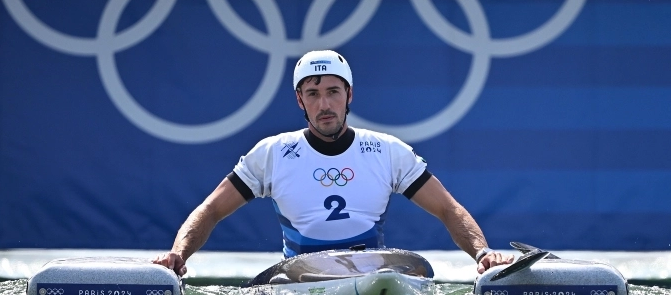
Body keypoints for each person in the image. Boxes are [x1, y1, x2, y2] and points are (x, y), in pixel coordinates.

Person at [153, 50, 514, 276]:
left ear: (349, 95)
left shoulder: (387, 151)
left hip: (369, 281)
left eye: (333, 92)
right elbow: (211, 209)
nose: (324, 104)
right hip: (299, 282)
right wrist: (178, 254)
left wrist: (482, 253)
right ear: (300, 101)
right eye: (313, 93)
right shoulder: (273, 153)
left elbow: (448, 209)